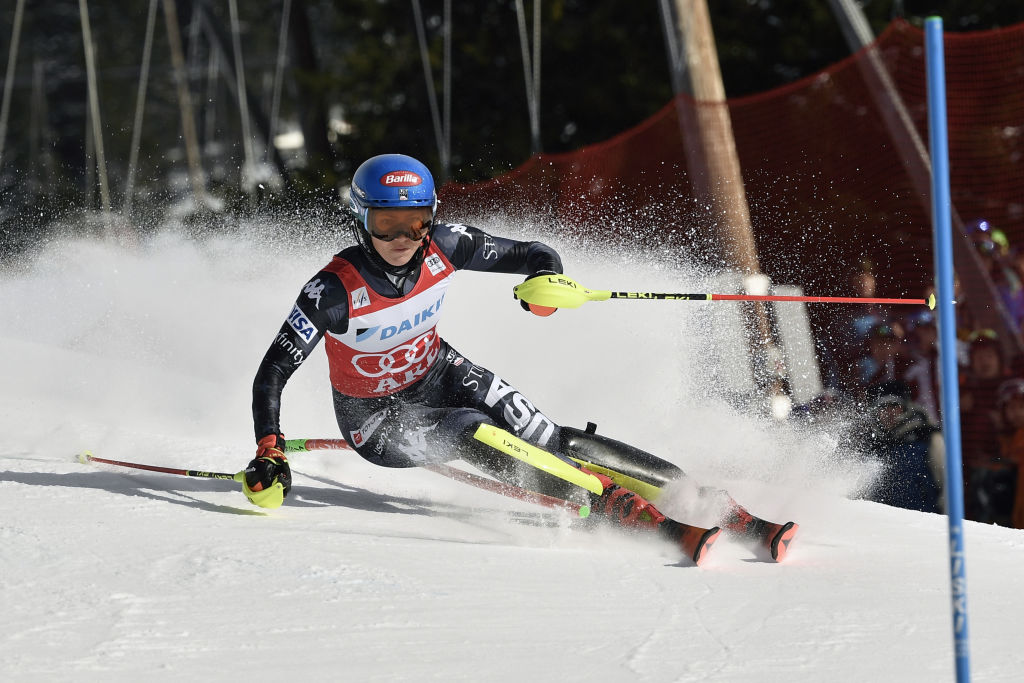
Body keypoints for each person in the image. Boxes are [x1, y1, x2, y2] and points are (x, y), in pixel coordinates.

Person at [243, 153, 703, 548]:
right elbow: (272, 373)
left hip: (437, 370)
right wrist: (270, 448)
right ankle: (611, 504)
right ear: (361, 220)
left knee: (541, 432)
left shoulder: (446, 245)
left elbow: (534, 253)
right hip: (375, 419)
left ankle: (691, 492)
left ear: (432, 217)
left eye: (416, 222)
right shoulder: (332, 291)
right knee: (470, 429)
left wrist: (546, 282)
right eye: (386, 225)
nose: (403, 239)